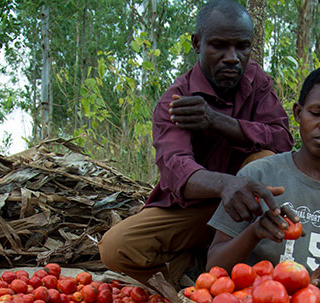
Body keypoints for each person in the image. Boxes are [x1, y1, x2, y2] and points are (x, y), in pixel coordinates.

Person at [98, 0, 294, 287]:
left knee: (264, 159)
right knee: (116, 247)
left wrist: (217, 121)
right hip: (196, 211)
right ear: (197, 43)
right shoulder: (176, 99)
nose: (232, 57)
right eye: (219, 45)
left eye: (242, 46)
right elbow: (177, 169)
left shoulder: (257, 82)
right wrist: (226, 184)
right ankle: (196, 270)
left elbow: (283, 141)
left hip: (247, 210)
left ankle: (250, 264)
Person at [206, 66, 320, 302]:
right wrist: (255, 231)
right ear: (298, 113)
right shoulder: (258, 174)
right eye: (317, 112)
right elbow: (214, 264)